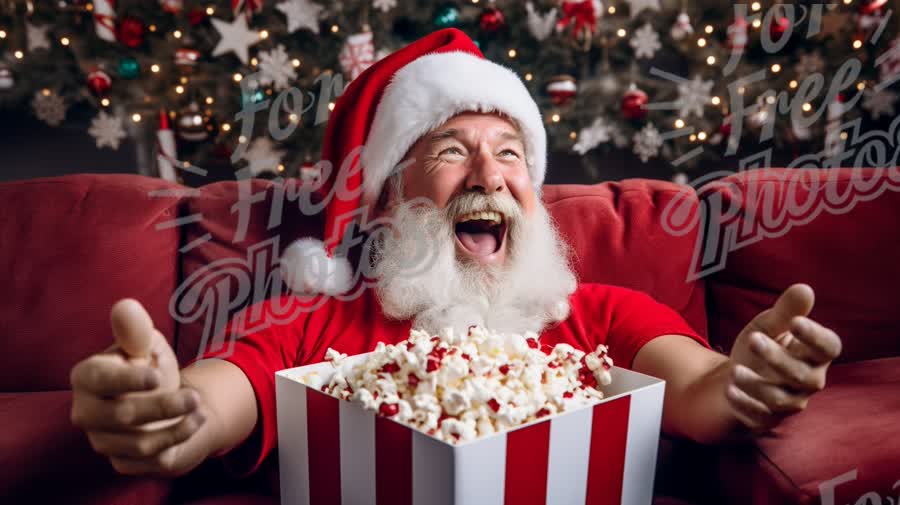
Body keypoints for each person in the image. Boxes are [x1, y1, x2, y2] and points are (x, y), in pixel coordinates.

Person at [69, 29, 842, 484]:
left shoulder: (599, 319)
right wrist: (165, 411)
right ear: (387, 196)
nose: (489, 175)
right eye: (450, 149)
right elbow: (218, 396)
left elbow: (701, 387)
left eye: (511, 153)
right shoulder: (317, 324)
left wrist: (748, 379)